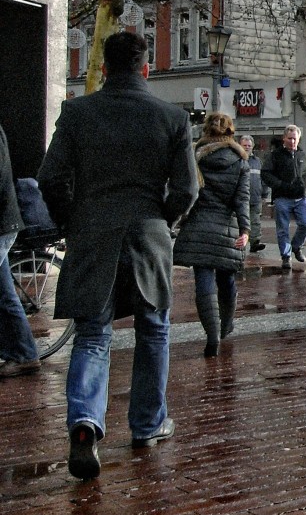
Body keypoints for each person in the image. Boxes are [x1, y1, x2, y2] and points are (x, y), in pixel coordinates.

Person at [36, 31, 197, 479]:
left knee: (92, 334)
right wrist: (163, 220)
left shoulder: (77, 113)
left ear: (103, 68)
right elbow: (187, 188)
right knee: (154, 331)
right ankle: (147, 424)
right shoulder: (171, 117)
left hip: (93, 232)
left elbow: (49, 179)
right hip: (148, 234)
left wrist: (73, 219)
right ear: (145, 67)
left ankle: (86, 421)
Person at [173, 112, 251, 358]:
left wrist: (177, 219)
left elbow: (186, 191)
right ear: (230, 132)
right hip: (227, 228)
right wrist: (246, 230)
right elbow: (242, 199)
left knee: (203, 281)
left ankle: (212, 334)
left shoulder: (195, 156)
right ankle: (227, 324)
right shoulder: (240, 160)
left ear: (206, 131)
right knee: (226, 278)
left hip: (199, 225)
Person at [0, 123, 41, 378]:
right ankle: (24, 353)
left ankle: (25, 354)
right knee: (3, 292)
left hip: (1, 223)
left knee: (3, 295)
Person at [261, 126, 306, 273]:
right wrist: (280, 185)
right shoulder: (275, 155)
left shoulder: (302, 155)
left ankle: (296, 246)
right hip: (282, 197)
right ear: (284, 138)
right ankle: (286, 256)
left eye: (295, 138)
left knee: (305, 224)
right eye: (290, 138)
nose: (293, 141)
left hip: (301, 196)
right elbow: (266, 173)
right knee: (283, 228)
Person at [238, 134, 266, 253]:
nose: (247, 147)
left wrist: (264, 194)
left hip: (255, 197)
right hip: (240, 198)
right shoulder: (237, 159)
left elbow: (263, 179)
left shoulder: (257, 161)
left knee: (255, 221)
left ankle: (255, 242)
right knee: (240, 221)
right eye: (245, 145)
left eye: (249, 145)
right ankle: (240, 242)